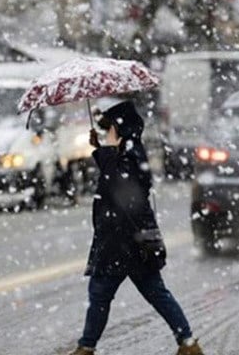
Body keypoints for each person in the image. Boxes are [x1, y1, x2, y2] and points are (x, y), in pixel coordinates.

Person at [70, 101, 204, 355]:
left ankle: (86, 348)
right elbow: (116, 178)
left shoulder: (131, 154)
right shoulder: (130, 151)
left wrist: (106, 150)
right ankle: (188, 343)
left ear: (120, 129)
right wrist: (101, 148)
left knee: (100, 294)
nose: (106, 133)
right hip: (131, 241)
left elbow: (117, 185)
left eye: (109, 129)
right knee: (153, 293)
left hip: (122, 243)